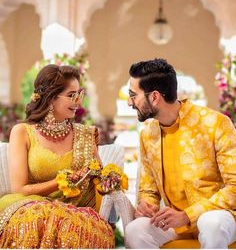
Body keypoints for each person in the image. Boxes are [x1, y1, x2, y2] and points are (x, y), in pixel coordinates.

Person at [125, 58, 236, 249]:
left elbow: (234, 186)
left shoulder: (215, 123)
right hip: (174, 222)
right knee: (136, 230)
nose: (129, 102)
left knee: (211, 224)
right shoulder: (148, 134)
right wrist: (147, 205)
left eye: (133, 95)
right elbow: (148, 190)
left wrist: (187, 216)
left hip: (219, 216)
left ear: (154, 97)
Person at [0, 64, 114, 248]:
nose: (78, 101)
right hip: (33, 209)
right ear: (51, 97)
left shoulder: (86, 136)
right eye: (71, 95)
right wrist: (61, 182)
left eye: (80, 94)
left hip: (77, 214)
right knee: (38, 219)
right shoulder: (22, 132)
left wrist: (110, 180)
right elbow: (19, 188)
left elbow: (98, 177)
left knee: (77, 228)